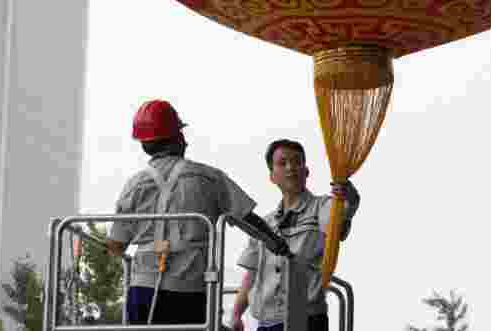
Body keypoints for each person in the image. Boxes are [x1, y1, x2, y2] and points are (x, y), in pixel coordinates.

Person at [105, 100, 290, 325]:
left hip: (143, 290)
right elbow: (247, 218)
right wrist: (276, 243)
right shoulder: (209, 178)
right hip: (190, 291)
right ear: (179, 138)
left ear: (145, 145)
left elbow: (116, 246)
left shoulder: (134, 185)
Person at [230, 139, 361, 331]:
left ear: (306, 171)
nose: (290, 167)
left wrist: (350, 197)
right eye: (282, 163)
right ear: (272, 176)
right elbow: (252, 273)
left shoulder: (322, 206)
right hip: (267, 323)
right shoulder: (265, 223)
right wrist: (236, 314)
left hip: (305, 319)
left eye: (297, 162)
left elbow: (337, 228)